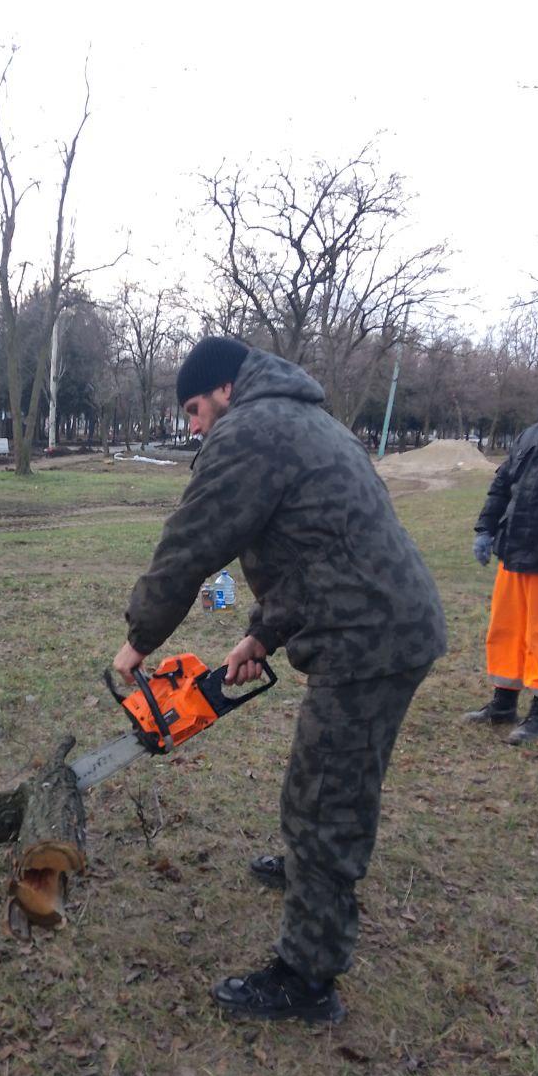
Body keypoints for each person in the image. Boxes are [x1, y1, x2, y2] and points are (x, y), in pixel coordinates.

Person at [112, 336, 446, 1024]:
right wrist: (262, 634)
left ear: (225, 391)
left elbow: (192, 541)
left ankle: (306, 979)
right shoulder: (305, 420)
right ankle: (309, 875)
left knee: (326, 796)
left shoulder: (253, 430)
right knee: (330, 781)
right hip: (383, 621)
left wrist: (138, 640)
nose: (195, 427)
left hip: (369, 637)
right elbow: (319, 547)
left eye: (196, 411)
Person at [465, 388, 538, 744]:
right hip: (514, 550)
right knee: (506, 630)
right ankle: (503, 703)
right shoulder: (531, 435)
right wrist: (485, 530)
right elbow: (502, 484)